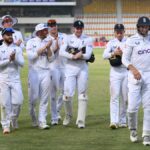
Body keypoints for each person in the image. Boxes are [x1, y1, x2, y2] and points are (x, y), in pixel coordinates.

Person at [59, 20, 93, 128]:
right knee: (67, 95)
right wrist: (73, 56)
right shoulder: (67, 38)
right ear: (74, 28)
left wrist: (78, 54)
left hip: (82, 68)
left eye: (80, 28)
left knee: (82, 95)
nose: (78, 30)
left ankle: (81, 120)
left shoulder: (88, 39)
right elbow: (61, 52)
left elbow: (88, 55)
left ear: (83, 28)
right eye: (77, 28)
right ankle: (68, 115)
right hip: (70, 68)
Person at [122, 16, 150, 146]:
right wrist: (133, 69)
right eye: (142, 27)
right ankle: (133, 130)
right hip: (134, 76)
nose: (144, 29)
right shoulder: (131, 40)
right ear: (138, 27)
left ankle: (146, 134)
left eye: (146, 26)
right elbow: (124, 59)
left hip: (149, 76)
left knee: (148, 107)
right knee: (132, 108)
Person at [26, 23, 54, 129]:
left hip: (46, 71)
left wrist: (49, 48)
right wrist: (45, 47)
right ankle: (34, 119)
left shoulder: (48, 42)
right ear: (38, 32)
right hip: (34, 72)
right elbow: (31, 57)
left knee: (44, 98)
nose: (47, 31)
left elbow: (51, 59)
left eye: (47, 29)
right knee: (33, 99)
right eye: (44, 30)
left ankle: (42, 121)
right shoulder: (30, 42)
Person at [103, 24, 128, 129]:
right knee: (114, 97)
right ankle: (114, 121)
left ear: (124, 31)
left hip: (126, 72)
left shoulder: (128, 41)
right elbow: (104, 55)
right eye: (117, 31)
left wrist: (123, 54)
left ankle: (123, 120)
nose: (119, 33)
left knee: (125, 98)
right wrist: (114, 52)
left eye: (121, 31)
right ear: (114, 32)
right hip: (115, 72)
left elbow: (132, 55)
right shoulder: (111, 43)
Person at [0, 28, 24, 134]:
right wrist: (8, 60)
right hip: (3, 78)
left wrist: (14, 59)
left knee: (18, 102)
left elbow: (22, 64)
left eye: (11, 34)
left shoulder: (17, 49)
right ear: (3, 36)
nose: (10, 36)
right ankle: (5, 125)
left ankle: (13, 118)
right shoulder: (0, 48)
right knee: (5, 104)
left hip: (15, 79)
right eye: (7, 35)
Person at [47, 19, 66, 125]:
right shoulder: (46, 39)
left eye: (54, 25)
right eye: (50, 26)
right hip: (52, 67)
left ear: (56, 26)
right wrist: (56, 48)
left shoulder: (64, 36)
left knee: (65, 92)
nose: (52, 27)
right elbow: (48, 56)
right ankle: (54, 117)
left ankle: (57, 110)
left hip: (64, 67)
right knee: (53, 94)